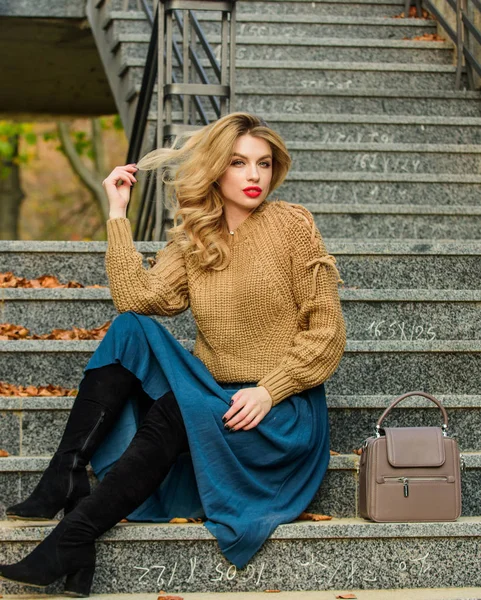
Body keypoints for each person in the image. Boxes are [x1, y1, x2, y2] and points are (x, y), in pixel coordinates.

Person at [0, 112, 346, 597]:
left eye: (264, 164)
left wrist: (271, 390)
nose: (254, 176)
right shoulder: (194, 239)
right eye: (239, 163)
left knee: (173, 409)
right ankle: (67, 475)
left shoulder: (291, 225)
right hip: (215, 397)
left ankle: (72, 536)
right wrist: (117, 215)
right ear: (215, 169)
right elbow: (136, 299)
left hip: (280, 414)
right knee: (130, 329)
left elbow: (327, 331)